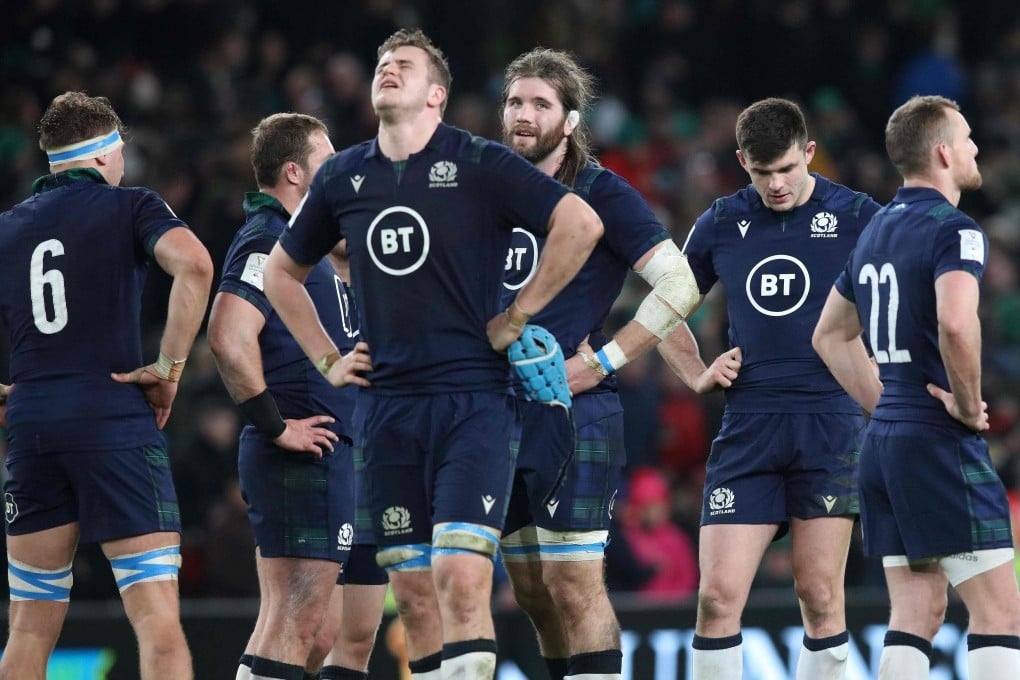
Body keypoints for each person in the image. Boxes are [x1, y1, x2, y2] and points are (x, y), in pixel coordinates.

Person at [261, 29, 603, 680]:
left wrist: (519, 314)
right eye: (382, 63)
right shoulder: (342, 175)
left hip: (473, 402)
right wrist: (328, 358)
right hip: (385, 412)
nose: (387, 70)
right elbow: (281, 272)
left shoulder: (478, 162)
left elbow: (580, 225)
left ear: (436, 95)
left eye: (405, 66)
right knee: (415, 596)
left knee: (461, 577)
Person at [657, 97, 881, 680]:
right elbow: (661, 306)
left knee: (820, 597)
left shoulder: (858, 215)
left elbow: (909, 295)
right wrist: (695, 370)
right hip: (749, 427)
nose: (776, 184)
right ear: (742, 163)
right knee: (716, 600)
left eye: (786, 168)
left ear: (809, 152)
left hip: (829, 424)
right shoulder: (722, 222)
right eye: (761, 173)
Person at [497, 47, 699, 680]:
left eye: (539, 104)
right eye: (514, 102)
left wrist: (603, 361)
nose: (523, 115)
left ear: (571, 119)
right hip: (493, 412)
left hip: (575, 408)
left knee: (574, 583)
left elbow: (679, 284)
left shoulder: (603, 192)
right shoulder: (485, 184)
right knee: (530, 589)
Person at [0, 91, 213, 679]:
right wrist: (168, 369)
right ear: (103, 155)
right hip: (111, 419)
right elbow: (194, 266)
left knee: (28, 625)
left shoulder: (7, 227)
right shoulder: (131, 206)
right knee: (156, 622)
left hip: (33, 424)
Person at [812, 94, 1020, 679]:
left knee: (916, 607)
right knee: (999, 610)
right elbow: (957, 323)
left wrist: (886, 407)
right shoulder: (957, 230)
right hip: (936, 437)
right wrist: (967, 400)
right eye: (969, 137)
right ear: (943, 152)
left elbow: (829, 335)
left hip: (886, 443)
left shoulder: (875, 229)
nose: (977, 146)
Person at [207, 112, 387, 680]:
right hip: (299, 454)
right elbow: (228, 335)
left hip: (335, 452)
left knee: (319, 632)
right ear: (293, 172)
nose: (336, 173)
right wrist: (277, 425)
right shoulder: (267, 239)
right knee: (296, 622)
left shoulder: (304, 247)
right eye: (325, 163)